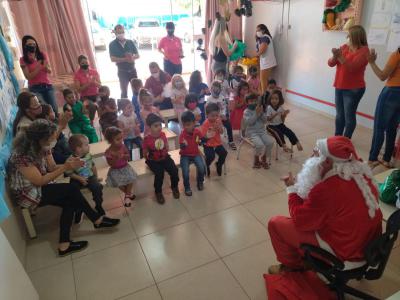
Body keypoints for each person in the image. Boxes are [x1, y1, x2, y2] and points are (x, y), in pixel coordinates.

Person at [267, 136, 383, 274]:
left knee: (275, 224)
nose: (311, 157)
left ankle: (291, 267)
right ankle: (306, 259)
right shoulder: (362, 174)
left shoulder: (327, 189)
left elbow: (300, 221)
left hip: (346, 254)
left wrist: (292, 189)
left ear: (327, 161)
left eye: (316, 155)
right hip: (368, 248)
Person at [8, 119, 120, 256]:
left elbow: (52, 167)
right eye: (51, 139)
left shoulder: (43, 147)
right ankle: (97, 220)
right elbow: (40, 181)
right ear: (41, 139)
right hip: (28, 194)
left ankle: (64, 244)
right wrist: (66, 167)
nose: (53, 142)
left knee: (70, 201)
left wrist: (70, 164)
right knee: (71, 190)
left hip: (41, 186)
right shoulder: (22, 156)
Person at [328, 25, 369, 139]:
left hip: (354, 89)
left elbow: (352, 68)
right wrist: (334, 56)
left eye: (349, 36)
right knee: (339, 116)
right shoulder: (345, 47)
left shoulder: (364, 51)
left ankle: (346, 140)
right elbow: (330, 63)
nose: (347, 38)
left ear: (356, 37)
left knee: (349, 117)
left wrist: (340, 56)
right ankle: (337, 139)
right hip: (339, 86)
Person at [367, 48, 400, 168]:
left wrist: (371, 62)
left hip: (391, 92)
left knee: (379, 127)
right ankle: (386, 159)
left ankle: (372, 159)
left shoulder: (397, 54)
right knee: (392, 127)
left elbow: (382, 76)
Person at [66, 134, 105, 223]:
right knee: (73, 192)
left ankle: (98, 205)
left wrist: (96, 177)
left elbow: (93, 166)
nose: (89, 146)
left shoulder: (88, 155)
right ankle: (78, 210)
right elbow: (69, 173)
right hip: (76, 178)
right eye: (86, 144)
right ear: (78, 148)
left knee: (98, 187)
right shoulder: (70, 160)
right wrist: (80, 179)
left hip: (90, 177)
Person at [142, 113, 180, 204]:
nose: (159, 127)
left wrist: (166, 147)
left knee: (174, 170)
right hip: (153, 160)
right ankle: (158, 192)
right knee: (159, 173)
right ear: (149, 127)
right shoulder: (147, 139)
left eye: (160, 125)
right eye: (156, 126)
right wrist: (148, 155)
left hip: (164, 157)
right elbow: (144, 152)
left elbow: (166, 144)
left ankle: (174, 186)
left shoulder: (162, 134)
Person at [20, 35, 58, 114]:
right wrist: (39, 67)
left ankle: (57, 124)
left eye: (34, 44)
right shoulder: (23, 59)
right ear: (25, 46)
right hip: (35, 88)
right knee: (44, 110)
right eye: (29, 44)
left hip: (47, 85)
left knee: (54, 108)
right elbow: (28, 77)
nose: (32, 46)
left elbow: (50, 71)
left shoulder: (42, 54)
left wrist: (45, 67)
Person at [104, 126, 137, 207]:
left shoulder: (123, 146)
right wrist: (116, 158)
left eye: (121, 138)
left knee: (130, 179)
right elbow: (110, 164)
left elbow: (128, 155)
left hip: (125, 167)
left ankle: (127, 196)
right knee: (118, 183)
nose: (121, 140)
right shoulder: (108, 152)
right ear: (110, 141)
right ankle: (128, 194)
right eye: (117, 139)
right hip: (115, 170)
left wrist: (125, 156)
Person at [179, 111, 207, 196]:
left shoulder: (197, 132)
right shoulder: (182, 134)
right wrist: (184, 145)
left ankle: (200, 182)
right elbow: (181, 147)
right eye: (184, 125)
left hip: (195, 153)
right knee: (185, 172)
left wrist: (206, 139)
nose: (186, 127)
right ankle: (187, 187)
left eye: (188, 124)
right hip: (185, 155)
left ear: (194, 123)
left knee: (202, 168)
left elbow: (200, 142)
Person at [243, 93, 274, 169]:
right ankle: (256, 159)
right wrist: (256, 114)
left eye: (255, 101)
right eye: (251, 101)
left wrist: (262, 113)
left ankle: (264, 157)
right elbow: (250, 122)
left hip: (262, 131)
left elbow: (265, 121)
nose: (253, 102)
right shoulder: (246, 112)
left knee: (270, 142)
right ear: (247, 102)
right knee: (259, 145)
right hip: (252, 133)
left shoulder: (259, 109)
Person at [109, 24, 140, 98]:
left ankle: (137, 107)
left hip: (133, 70)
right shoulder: (112, 44)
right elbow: (112, 59)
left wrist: (132, 58)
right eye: (119, 32)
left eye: (122, 32)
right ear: (115, 33)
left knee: (136, 91)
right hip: (122, 71)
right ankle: (124, 108)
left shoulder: (130, 42)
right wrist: (125, 59)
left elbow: (138, 55)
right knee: (124, 92)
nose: (121, 34)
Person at [206, 81, 236, 150]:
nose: (216, 92)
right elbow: (207, 111)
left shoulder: (222, 97)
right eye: (214, 90)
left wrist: (223, 115)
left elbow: (224, 108)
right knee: (212, 129)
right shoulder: (209, 99)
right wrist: (213, 117)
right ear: (211, 89)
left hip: (221, 117)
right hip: (212, 119)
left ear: (220, 90)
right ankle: (212, 141)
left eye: (217, 90)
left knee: (228, 125)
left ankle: (230, 141)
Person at [200, 103, 227, 177]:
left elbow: (221, 132)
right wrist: (210, 132)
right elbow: (204, 137)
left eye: (217, 115)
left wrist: (219, 127)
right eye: (212, 116)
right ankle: (207, 165)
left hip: (217, 143)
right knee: (211, 156)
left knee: (224, 153)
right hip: (208, 144)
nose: (215, 117)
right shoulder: (205, 124)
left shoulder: (218, 121)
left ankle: (219, 164)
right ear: (207, 115)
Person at [74, 55, 101, 123]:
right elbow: (78, 90)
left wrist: (94, 82)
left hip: (96, 95)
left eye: (86, 62)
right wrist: (88, 83)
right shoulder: (77, 75)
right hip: (85, 97)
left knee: (101, 103)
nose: (85, 64)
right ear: (79, 64)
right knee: (92, 106)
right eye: (83, 63)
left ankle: (102, 120)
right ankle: (91, 121)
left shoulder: (94, 72)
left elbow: (100, 86)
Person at [255, 24, 277, 94]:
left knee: (263, 82)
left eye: (258, 30)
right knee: (262, 81)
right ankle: (263, 95)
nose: (257, 32)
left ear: (263, 30)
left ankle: (264, 97)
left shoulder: (265, 37)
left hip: (267, 63)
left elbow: (262, 50)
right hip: (266, 62)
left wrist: (255, 55)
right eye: (256, 31)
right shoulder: (263, 38)